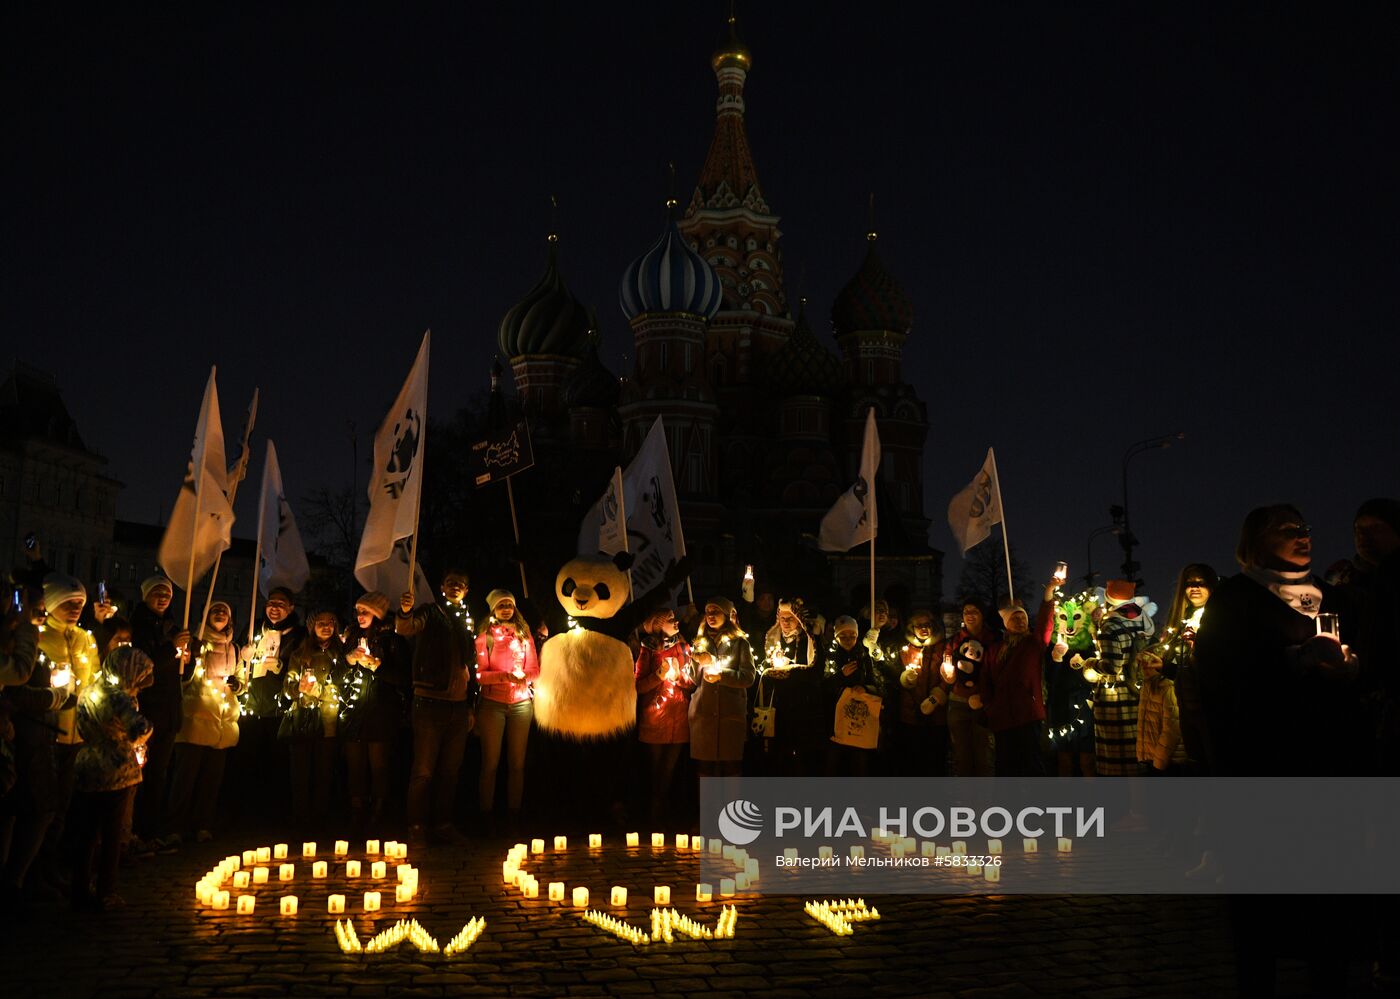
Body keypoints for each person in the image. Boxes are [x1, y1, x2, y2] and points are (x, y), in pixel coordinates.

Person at [1195, 504, 1361, 995]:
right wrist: (1293, 661)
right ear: (1256, 540)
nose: (1301, 535)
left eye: (1304, 527)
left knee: (1329, 892)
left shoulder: (1335, 598)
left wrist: (1353, 667)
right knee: (1262, 894)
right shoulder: (1235, 600)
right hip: (1265, 766)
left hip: (1330, 766)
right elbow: (1221, 678)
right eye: (1287, 530)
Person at [396, 570, 479, 848]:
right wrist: (405, 612)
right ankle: (417, 826)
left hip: (458, 706)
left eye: (461, 583)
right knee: (423, 771)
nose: (456, 586)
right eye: (451, 582)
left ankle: (444, 824)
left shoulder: (466, 620)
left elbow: (470, 665)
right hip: (430, 702)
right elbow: (407, 628)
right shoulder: (431, 612)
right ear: (442, 586)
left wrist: (469, 704)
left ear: (466, 591)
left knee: (450, 772)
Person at [70, 647, 152, 912]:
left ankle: (80, 888)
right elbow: (138, 727)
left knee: (86, 833)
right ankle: (107, 891)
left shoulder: (89, 690)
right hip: (116, 771)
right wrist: (142, 737)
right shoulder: (119, 698)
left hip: (88, 763)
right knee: (112, 834)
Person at [167, 601, 240, 844]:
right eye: (214, 610)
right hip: (196, 718)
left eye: (224, 611)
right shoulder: (197, 643)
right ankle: (175, 826)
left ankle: (203, 824)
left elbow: (240, 678)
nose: (220, 613)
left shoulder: (235, 648)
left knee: (211, 779)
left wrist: (238, 684)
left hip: (221, 721)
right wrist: (189, 658)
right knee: (185, 778)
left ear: (230, 619)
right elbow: (183, 678)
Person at [338, 592, 409, 836]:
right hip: (353, 713)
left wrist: (378, 666)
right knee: (355, 765)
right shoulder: (352, 638)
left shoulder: (393, 640)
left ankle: (379, 811)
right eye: (357, 611)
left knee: (379, 765)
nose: (359, 616)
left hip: (381, 713)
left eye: (365, 611)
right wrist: (348, 660)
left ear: (377, 614)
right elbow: (337, 675)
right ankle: (356, 810)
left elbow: (402, 678)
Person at [232, 587, 303, 827]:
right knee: (248, 760)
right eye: (271, 602)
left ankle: (276, 815)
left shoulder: (297, 635)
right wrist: (244, 656)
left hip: (279, 709)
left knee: (278, 762)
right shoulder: (253, 629)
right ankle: (246, 813)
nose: (274, 608)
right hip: (252, 706)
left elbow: (302, 665)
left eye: (281, 603)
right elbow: (237, 662)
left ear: (291, 607)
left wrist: (281, 666)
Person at [128, 575, 189, 853]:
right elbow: (146, 664)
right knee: (142, 775)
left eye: (167, 593)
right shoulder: (137, 626)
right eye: (157, 592)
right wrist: (171, 647)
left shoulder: (174, 626)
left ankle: (151, 831)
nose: (163, 597)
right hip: (148, 710)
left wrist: (187, 660)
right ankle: (134, 831)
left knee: (159, 775)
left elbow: (181, 674)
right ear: (145, 596)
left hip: (169, 710)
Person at [474, 589, 538, 833]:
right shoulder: (485, 637)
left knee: (517, 763)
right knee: (490, 762)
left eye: (509, 604)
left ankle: (514, 814)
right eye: (500, 605)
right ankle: (486, 814)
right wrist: (505, 676)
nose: (505, 609)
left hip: (521, 705)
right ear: (492, 609)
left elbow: (534, 669)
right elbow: (480, 675)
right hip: (493, 706)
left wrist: (524, 678)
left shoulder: (524, 635)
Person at [982, 577, 1057, 777]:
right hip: (1002, 716)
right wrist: (990, 706)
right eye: (1015, 618)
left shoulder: (1034, 644)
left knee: (1032, 763)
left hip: (1028, 714)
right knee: (1005, 766)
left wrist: (1048, 594)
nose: (1020, 621)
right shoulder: (995, 650)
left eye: (1023, 617)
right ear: (1006, 623)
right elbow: (986, 680)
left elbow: (1044, 623)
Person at [278, 610, 342, 833]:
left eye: (330, 622)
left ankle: (320, 819)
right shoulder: (300, 653)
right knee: (300, 773)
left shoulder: (339, 654)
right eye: (320, 623)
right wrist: (298, 688)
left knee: (324, 772)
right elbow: (288, 684)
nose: (326, 627)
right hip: (303, 719)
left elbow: (342, 686)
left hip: (328, 721)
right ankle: (300, 819)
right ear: (312, 627)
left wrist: (318, 689)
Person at [635, 606, 694, 826]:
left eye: (675, 618)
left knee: (670, 769)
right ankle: (653, 812)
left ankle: (664, 810)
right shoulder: (647, 650)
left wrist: (679, 678)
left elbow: (692, 682)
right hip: (655, 718)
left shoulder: (683, 646)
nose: (676, 622)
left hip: (678, 717)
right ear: (660, 626)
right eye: (670, 619)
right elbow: (638, 686)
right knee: (655, 769)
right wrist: (658, 677)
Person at [687, 598, 756, 782]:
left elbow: (749, 677)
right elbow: (694, 679)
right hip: (704, 714)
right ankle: (708, 808)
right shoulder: (700, 642)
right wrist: (695, 660)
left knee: (731, 765)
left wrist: (721, 675)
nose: (710, 615)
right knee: (705, 766)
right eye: (708, 611)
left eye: (715, 611)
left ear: (726, 615)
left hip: (730, 714)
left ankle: (731, 808)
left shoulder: (740, 643)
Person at [753, 598, 824, 776]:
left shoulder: (808, 640)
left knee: (798, 750)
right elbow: (764, 664)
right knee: (778, 749)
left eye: (790, 618)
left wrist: (790, 669)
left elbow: (814, 670)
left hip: (801, 703)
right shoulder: (774, 639)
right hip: (777, 703)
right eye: (782, 618)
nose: (785, 622)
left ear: (798, 619)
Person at [1157, 564, 1217, 770]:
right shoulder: (1183, 620)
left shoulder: (1217, 618)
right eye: (1190, 583)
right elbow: (1180, 670)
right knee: (1196, 761)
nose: (1195, 588)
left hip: (1210, 704)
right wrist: (1162, 666)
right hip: (1186, 703)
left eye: (1201, 583)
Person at [930, 600, 995, 778]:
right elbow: (947, 665)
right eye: (967, 611)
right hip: (958, 703)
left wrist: (983, 694)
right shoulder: (954, 641)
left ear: (982, 615)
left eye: (975, 610)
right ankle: (966, 800)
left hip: (982, 703)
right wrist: (948, 677)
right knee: (961, 755)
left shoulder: (993, 640)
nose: (970, 614)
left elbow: (994, 672)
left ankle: (983, 801)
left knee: (983, 755)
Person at [824, 615, 881, 777]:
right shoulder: (830, 656)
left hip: (859, 719)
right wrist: (840, 676)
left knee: (859, 761)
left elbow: (877, 684)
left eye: (852, 636)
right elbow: (823, 685)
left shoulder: (865, 656)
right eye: (843, 636)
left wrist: (864, 688)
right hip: (835, 719)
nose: (848, 639)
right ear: (836, 637)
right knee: (833, 761)